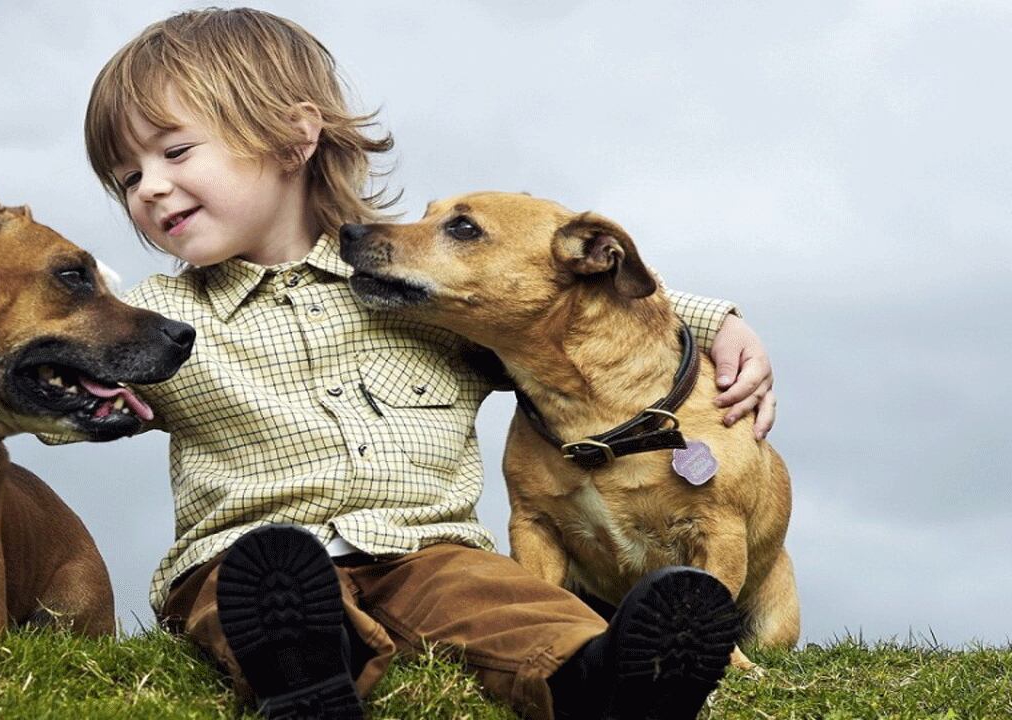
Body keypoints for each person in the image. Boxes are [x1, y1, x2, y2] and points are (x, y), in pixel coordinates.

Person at [64, 8, 776, 719]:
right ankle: (307, 677)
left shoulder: (424, 294)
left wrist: (717, 322)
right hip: (250, 558)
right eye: (128, 178)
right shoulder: (155, 317)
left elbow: (560, 303)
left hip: (427, 554)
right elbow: (53, 374)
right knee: (248, 595)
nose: (149, 188)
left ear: (293, 137)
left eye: (175, 152)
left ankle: (606, 678)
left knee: (511, 605)